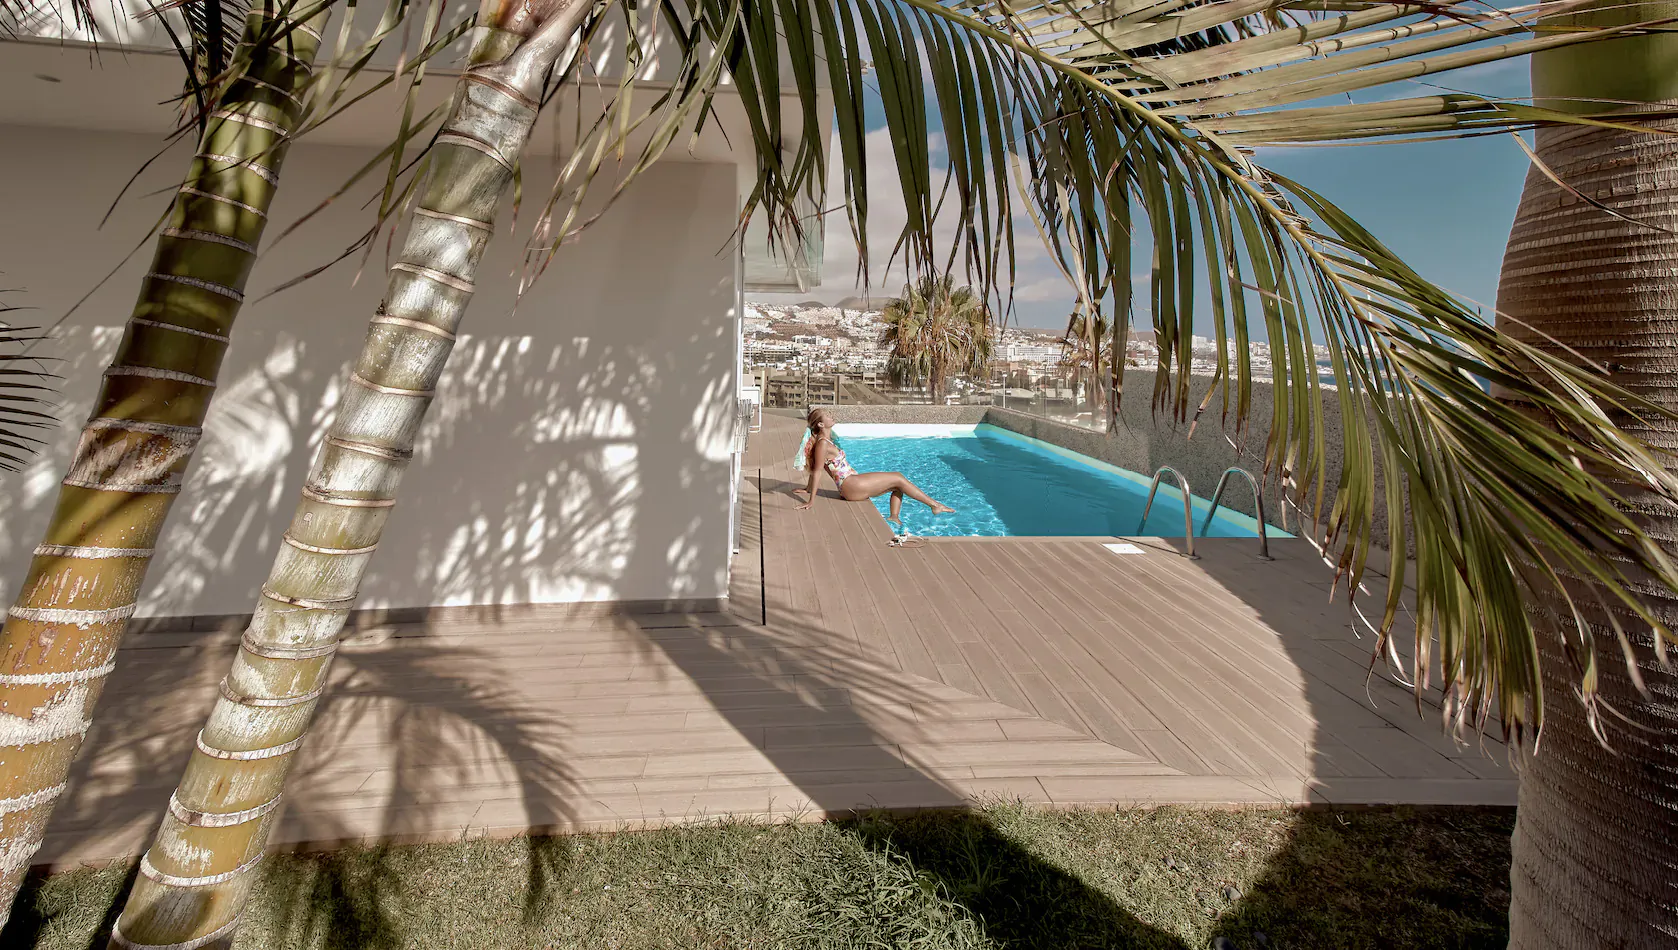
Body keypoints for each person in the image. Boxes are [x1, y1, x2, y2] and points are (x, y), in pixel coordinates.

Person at [794, 408, 954, 525]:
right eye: (828, 416)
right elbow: (816, 471)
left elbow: (816, 466)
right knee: (897, 477)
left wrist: (808, 489)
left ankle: (893, 517)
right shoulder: (822, 444)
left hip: (852, 484)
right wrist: (811, 500)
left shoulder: (827, 441)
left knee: (897, 483)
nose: (832, 416)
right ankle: (935, 505)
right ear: (821, 424)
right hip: (850, 485)